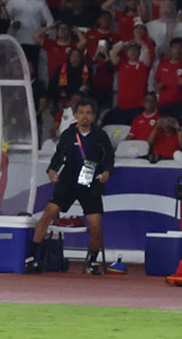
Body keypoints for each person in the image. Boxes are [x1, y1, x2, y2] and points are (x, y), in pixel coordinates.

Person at [27, 97, 119, 276]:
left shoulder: (100, 135)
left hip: (90, 184)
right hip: (68, 183)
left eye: (88, 113)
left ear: (93, 116)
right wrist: (52, 170)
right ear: (75, 115)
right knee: (48, 214)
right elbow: (58, 155)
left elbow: (109, 159)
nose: (84, 116)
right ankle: (31, 257)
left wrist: (107, 172)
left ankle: (92, 261)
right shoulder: (68, 134)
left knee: (96, 225)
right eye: (81, 113)